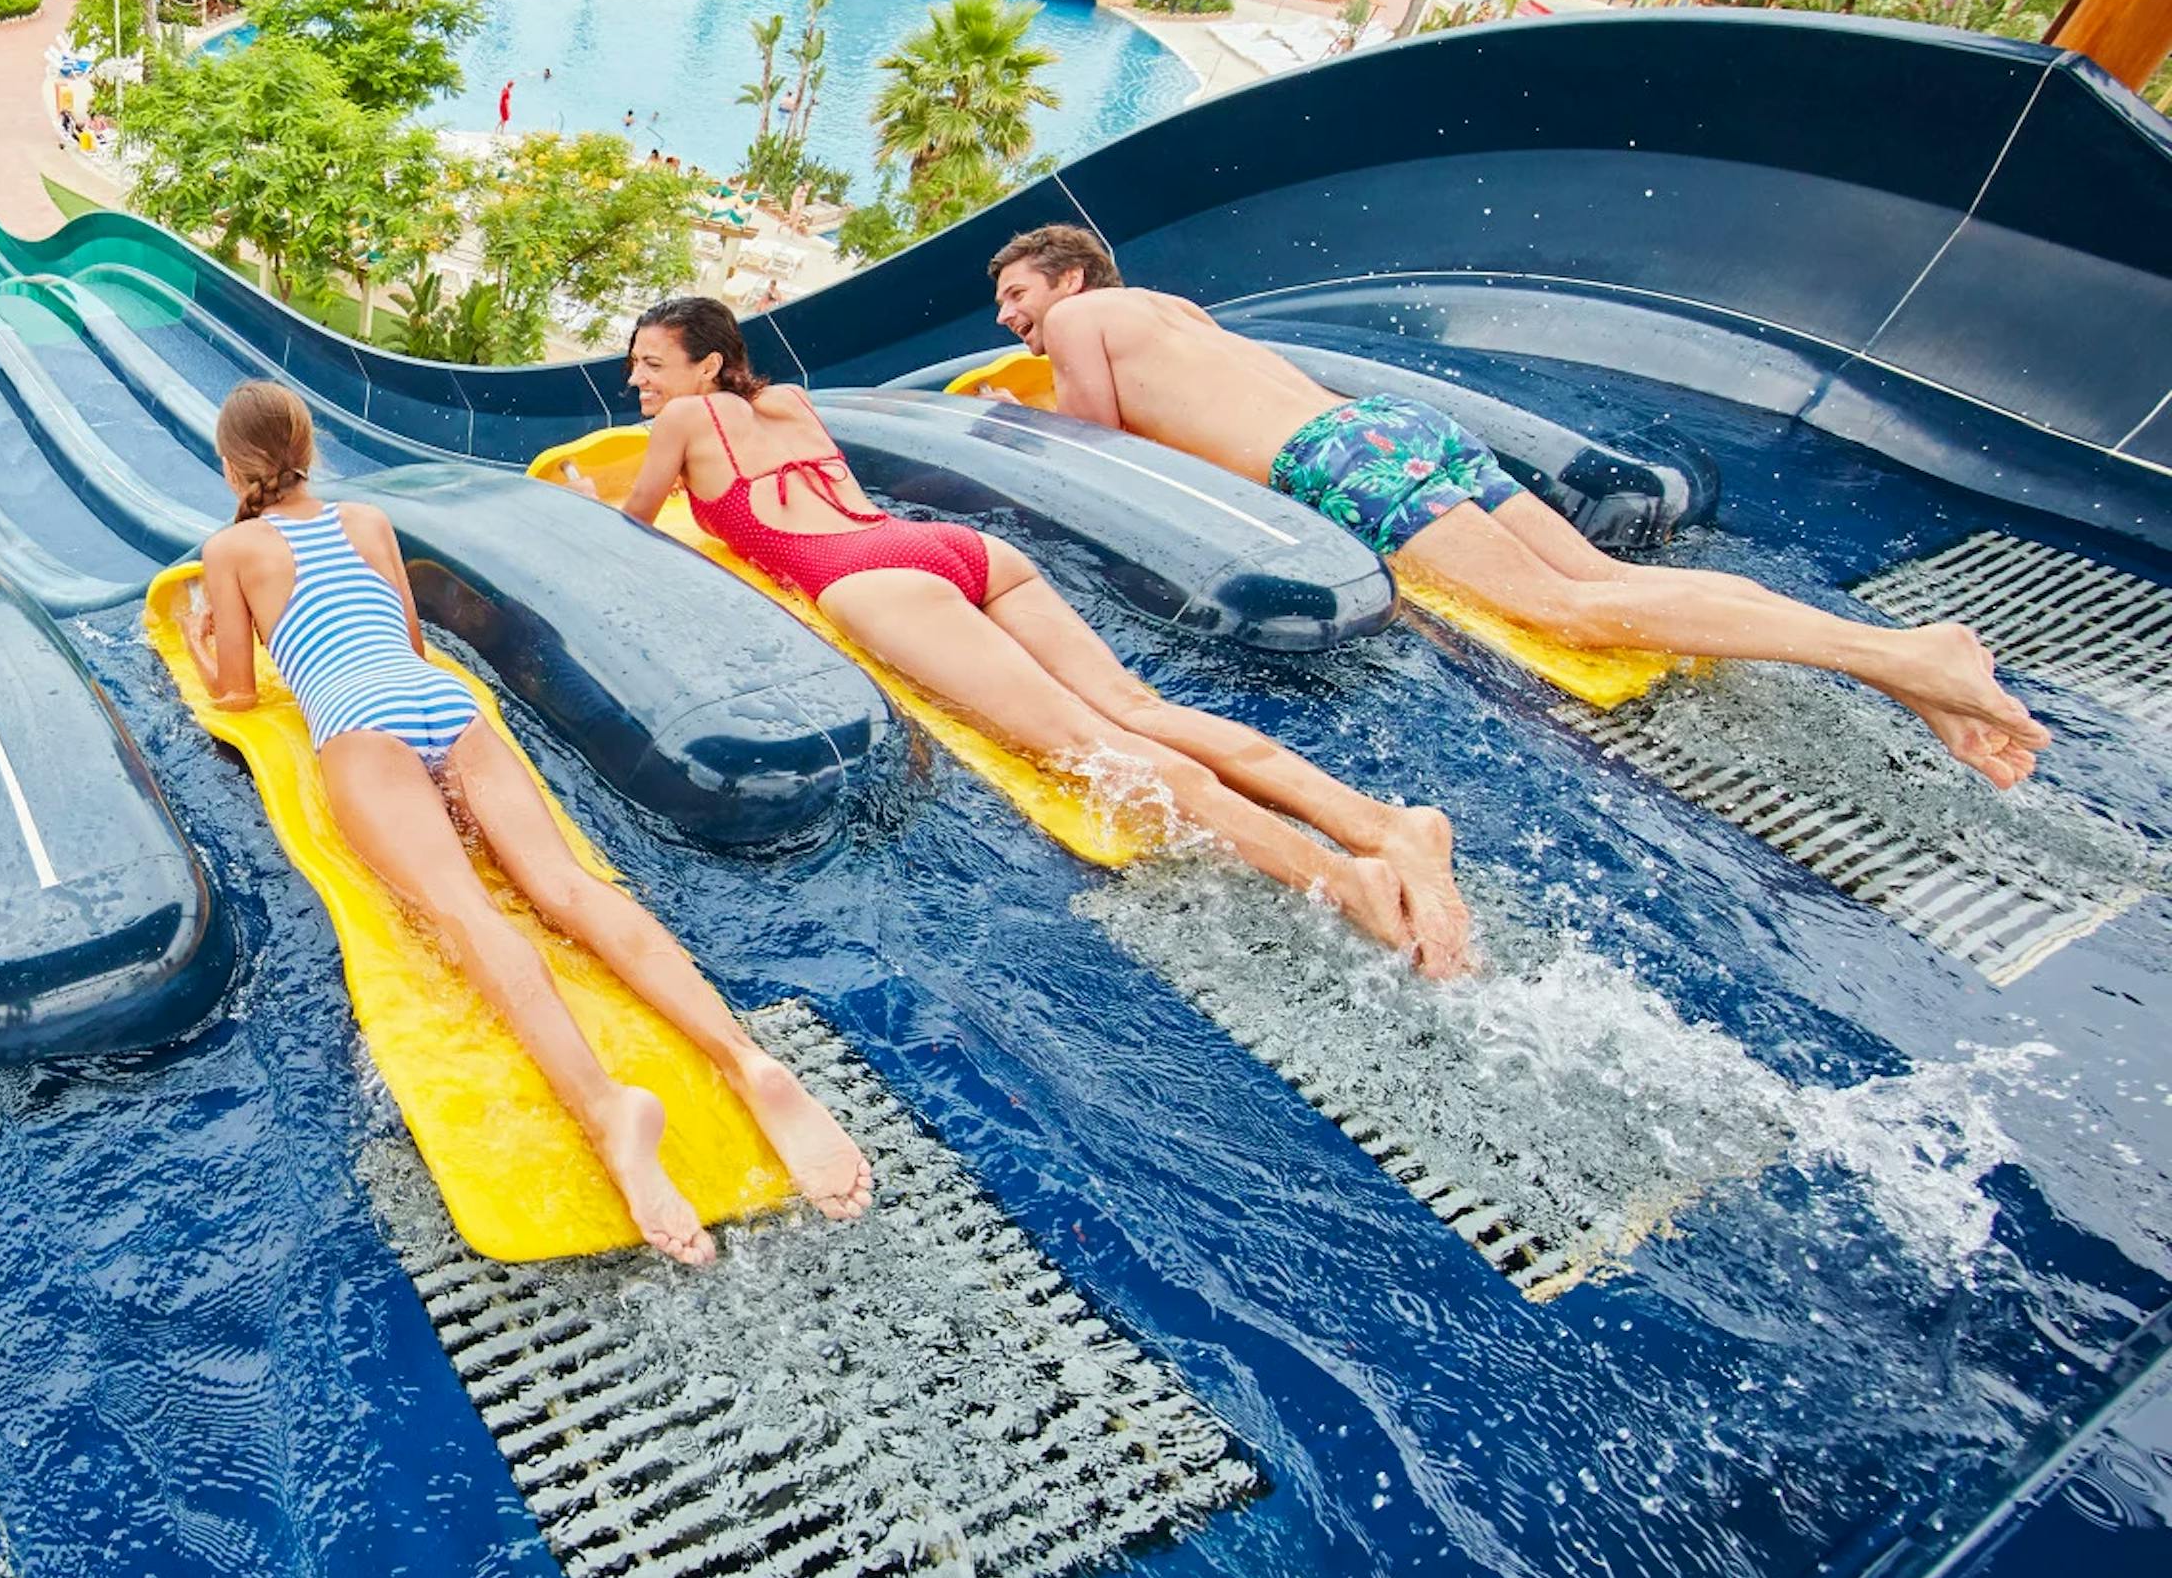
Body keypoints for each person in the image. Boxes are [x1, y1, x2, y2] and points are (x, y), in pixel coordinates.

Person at [178, 383, 875, 1263]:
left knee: (467, 912)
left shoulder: (231, 548)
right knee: (564, 887)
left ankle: (604, 1107)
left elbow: (236, 691)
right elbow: (417, 646)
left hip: (358, 724)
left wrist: (206, 641)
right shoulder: (367, 522)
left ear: (232, 462)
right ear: (306, 442)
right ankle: (746, 1061)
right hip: (440, 703)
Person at [985, 223, 2046, 786]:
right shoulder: (1169, 310)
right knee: (1608, 581)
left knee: (1563, 612)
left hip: (1334, 462)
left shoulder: (1086, 321)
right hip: (1394, 430)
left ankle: (1902, 659)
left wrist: (1008, 404)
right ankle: (1900, 654)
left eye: (1018, 297)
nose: (1011, 317)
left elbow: (1096, 444)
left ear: (1068, 277)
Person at [600, 298, 1472, 973]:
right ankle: (1387, 825)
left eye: (652, 363)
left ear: (708, 364)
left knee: (1087, 745)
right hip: (958, 551)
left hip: (869, 578)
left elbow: (634, 527)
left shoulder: (680, 421)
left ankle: (1341, 880)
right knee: (1139, 707)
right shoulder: (790, 400)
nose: (638, 380)